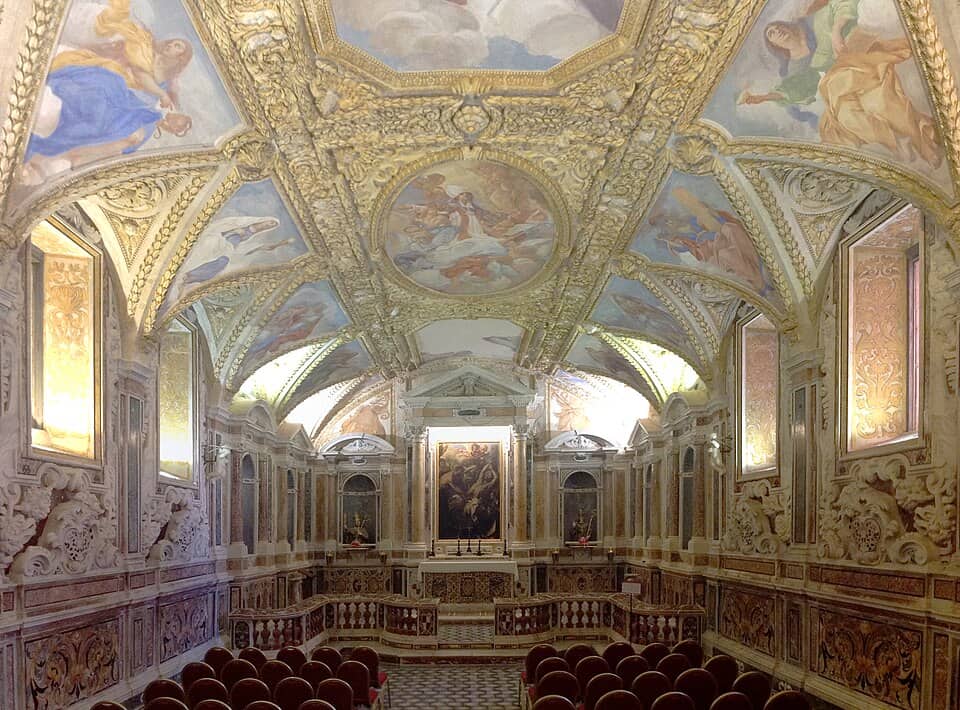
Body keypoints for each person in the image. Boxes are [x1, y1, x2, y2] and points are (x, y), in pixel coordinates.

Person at [738, 0, 941, 167]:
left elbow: (841, 4)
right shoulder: (795, 66)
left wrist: (836, 30)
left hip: (858, 52)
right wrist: (762, 97)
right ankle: (896, 142)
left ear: (787, 25)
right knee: (845, 114)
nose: (776, 31)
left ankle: (920, 141)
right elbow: (799, 87)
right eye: (771, 34)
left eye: (776, 27)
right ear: (775, 46)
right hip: (844, 80)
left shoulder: (813, 23)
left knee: (873, 98)